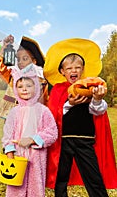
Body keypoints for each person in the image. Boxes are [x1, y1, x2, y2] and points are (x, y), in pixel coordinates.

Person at [44, 38, 117, 196]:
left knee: (93, 176)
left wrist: (97, 99)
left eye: (77, 67)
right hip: (63, 141)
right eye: (69, 68)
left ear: (83, 69)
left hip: (85, 140)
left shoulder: (90, 87)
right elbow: (54, 114)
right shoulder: (57, 89)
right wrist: (69, 103)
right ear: (62, 72)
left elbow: (98, 112)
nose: (73, 71)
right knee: (60, 177)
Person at [2, 66, 57, 197]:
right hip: (17, 156)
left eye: (29, 85)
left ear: (36, 87)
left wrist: (33, 139)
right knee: (15, 187)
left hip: (36, 158)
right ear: (15, 89)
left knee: (35, 188)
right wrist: (9, 152)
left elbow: (52, 132)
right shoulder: (14, 112)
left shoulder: (43, 111)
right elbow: (7, 134)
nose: (25, 89)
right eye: (20, 86)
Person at [0, 35, 48, 119]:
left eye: (25, 59)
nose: (20, 62)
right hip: (11, 116)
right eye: (18, 59)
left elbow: (44, 103)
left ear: (34, 61)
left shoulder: (41, 82)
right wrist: (4, 47)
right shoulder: (13, 76)